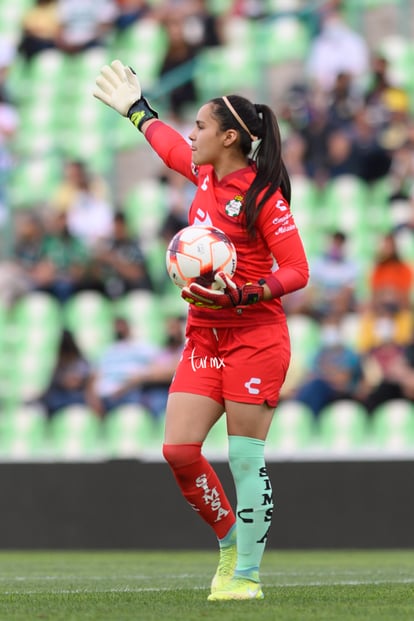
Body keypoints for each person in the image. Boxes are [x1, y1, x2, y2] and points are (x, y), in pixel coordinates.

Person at [93, 59, 309, 600]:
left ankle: (247, 578)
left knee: (243, 458)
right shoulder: (206, 173)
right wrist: (139, 113)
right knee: (179, 451)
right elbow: (169, 149)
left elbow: (298, 270)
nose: (192, 135)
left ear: (229, 137)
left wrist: (246, 291)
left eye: (201, 127)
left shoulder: (262, 196)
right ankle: (231, 538)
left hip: (255, 338)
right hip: (204, 336)